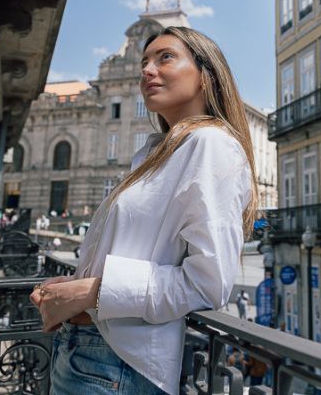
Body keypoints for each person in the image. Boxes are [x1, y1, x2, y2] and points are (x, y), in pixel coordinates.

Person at [30, 27, 257, 395]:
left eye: (165, 57)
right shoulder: (157, 152)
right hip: (87, 352)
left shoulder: (211, 145)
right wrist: (75, 287)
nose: (147, 70)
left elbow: (208, 284)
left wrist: (92, 292)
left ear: (206, 74)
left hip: (116, 365)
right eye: (143, 63)